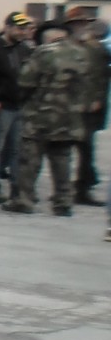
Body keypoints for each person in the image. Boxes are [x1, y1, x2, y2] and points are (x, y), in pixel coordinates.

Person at [5, 10, 100, 216]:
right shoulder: (82, 54)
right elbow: (88, 86)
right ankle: (63, 202)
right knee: (62, 159)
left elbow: (25, 82)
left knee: (30, 160)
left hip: (40, 115)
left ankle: (24, 199)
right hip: (69, 117)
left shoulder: (44, 53)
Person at [0, 11, 35, 196]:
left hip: (18, 105)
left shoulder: (23, 49)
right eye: (19, 28)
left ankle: (16, 187)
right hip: (0, 106)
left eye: (24, 29)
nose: (23, 32)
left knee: (15, 149)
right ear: (8, 27)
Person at [75, 18, 110, 206]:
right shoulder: (94, 49)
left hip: (85, 105)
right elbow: (95, 77)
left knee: (83, 148)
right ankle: (84, 186)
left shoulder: (87, 47)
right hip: (88, 107)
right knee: (85, 148)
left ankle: (85, 182)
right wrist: (94, 100)